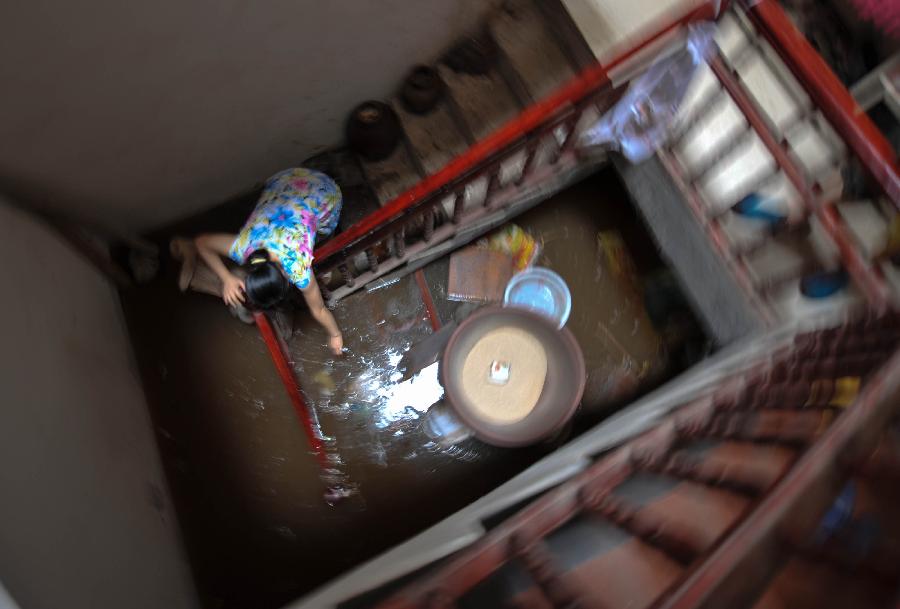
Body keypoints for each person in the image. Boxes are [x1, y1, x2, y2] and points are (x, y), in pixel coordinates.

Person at [194, 167, 344, 355]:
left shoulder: (298, 268)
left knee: (323, 234)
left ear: (286, 276)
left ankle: (320, 230)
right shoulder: (244, 247)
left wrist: (335, 334)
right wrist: (227, 279)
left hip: (326, 192)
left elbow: (319, 310)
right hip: (287, 177)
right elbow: (201, 243)